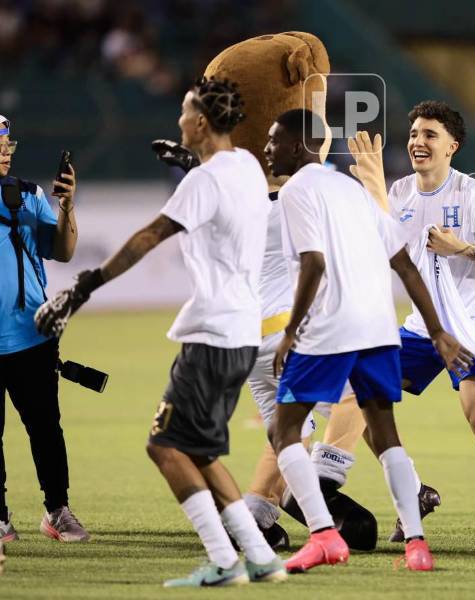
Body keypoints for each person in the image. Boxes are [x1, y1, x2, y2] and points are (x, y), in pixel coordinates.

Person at [36, 78, 288, 587]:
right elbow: (224, 200)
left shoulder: (203, 183)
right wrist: (194, 163)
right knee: (200, 451)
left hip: (212, 333)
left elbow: (149, 236)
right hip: (243, 331)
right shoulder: (245, 166)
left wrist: (83, 287)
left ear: (201, 121)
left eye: (184, 112)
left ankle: (224, 560)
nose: (179, 120)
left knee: (164, 445)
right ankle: (260, 557)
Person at [264, 108, 470, 573]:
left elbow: (313, 262)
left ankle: (323, 536)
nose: (267, 149)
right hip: (378, 328)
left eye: (274, 140)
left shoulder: (296, 190)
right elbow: (404, 264)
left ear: (297, 145)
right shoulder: (350, 188)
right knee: (385, 434)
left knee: (283, 431)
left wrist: (291, 330)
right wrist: (437, 330)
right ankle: (416, 545)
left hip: (330, 326)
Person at [351, 101, 475, 544]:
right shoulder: (399, 193)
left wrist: (462, 248)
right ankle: (414, 492)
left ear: (452, 146)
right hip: (421, 326)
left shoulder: (473, 194)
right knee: (361, 402)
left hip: (472, 323)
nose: (418, 141)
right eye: (414, 133)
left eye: (430, 134)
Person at [0, 114, 89, 544]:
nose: (5, 153)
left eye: (7, 146)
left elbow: (63, 252)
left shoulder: (28, 194)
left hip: (32, 336)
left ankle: (57, 510)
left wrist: (67, 205)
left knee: (46, 429)